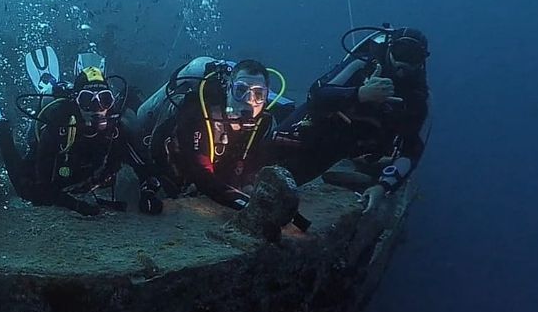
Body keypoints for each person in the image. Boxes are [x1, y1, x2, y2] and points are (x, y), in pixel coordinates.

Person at [0, 65, 164, 217]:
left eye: (104, 99)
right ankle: (2, 130)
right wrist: (75, 206)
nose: (97, 108)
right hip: (57, 177)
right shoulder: (59, 125)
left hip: (84, 179)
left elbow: (147, 170)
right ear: (76, 102)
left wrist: (148, 193)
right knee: (27, 192)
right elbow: (43, 186)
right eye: (88, 100)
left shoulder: (116, 131)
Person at [273, 26, 430, 213]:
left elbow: (411, 151)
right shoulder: (362, 65)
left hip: (355, 149)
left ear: (421, 61)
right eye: (401, 52)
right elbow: (316, 95)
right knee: (269, 149)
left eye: (413, 57)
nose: (403, 64)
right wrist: (360, 94)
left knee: (298, 175)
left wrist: (383, 187)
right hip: (323, 129)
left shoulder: (419, 99)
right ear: (389, 48)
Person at [134, 57, 282, 210]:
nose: (249, 101)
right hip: (167, 160)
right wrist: (244, 203)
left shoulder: (265, 124)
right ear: (228, 89)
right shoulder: (200, 113)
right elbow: (200, 173)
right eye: (241, 90)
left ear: (266, 98)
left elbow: (258, 166)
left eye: (258, 94)